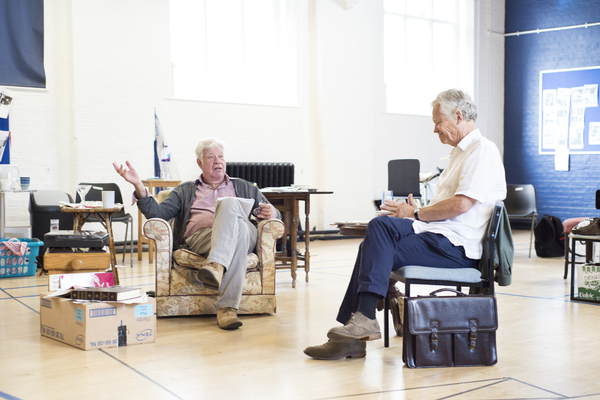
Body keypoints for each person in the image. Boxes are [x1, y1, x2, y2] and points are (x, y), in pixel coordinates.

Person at [304, 89, 507, 360]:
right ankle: (358, 325)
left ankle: (357, 327)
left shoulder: (482, 150)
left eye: (438, 122)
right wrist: (411, 213)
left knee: (374, 243)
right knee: (379, 230)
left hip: (457, 248)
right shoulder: (459, 154)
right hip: (439, 236)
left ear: (458, 116)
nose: (435, 130)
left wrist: (416, 213)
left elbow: (461, 205)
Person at [113, 137, 280, 330]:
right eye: (211, 157)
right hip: (202, 239)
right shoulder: (185, 190)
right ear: (199, 163)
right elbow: (157, 214)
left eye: (221, 156)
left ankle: (216, 265)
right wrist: (138, 186)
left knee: (230, 205)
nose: (218, 161)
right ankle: (227, 309)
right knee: (240, 230)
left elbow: (276, 214)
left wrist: (272, 212)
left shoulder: (244, 186)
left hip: (247, 236)